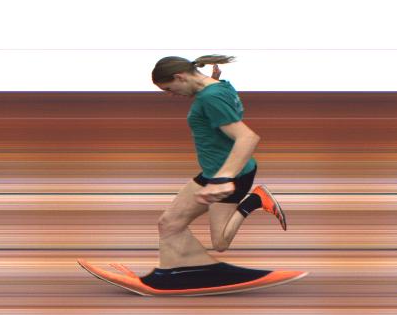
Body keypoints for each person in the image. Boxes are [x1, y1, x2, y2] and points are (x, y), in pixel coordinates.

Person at [78, 55, 303, 296]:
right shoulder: (218, 87)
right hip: (212, 172)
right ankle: (172, 274)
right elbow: (221, 105)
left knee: (220, 243)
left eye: (168, 89)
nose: (170, 95)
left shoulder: (210, 97)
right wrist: (213, 79)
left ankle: (254, 200)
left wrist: (223, 179)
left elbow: (248, 138)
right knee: (169, 223)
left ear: (179, 77)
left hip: (228, 175)